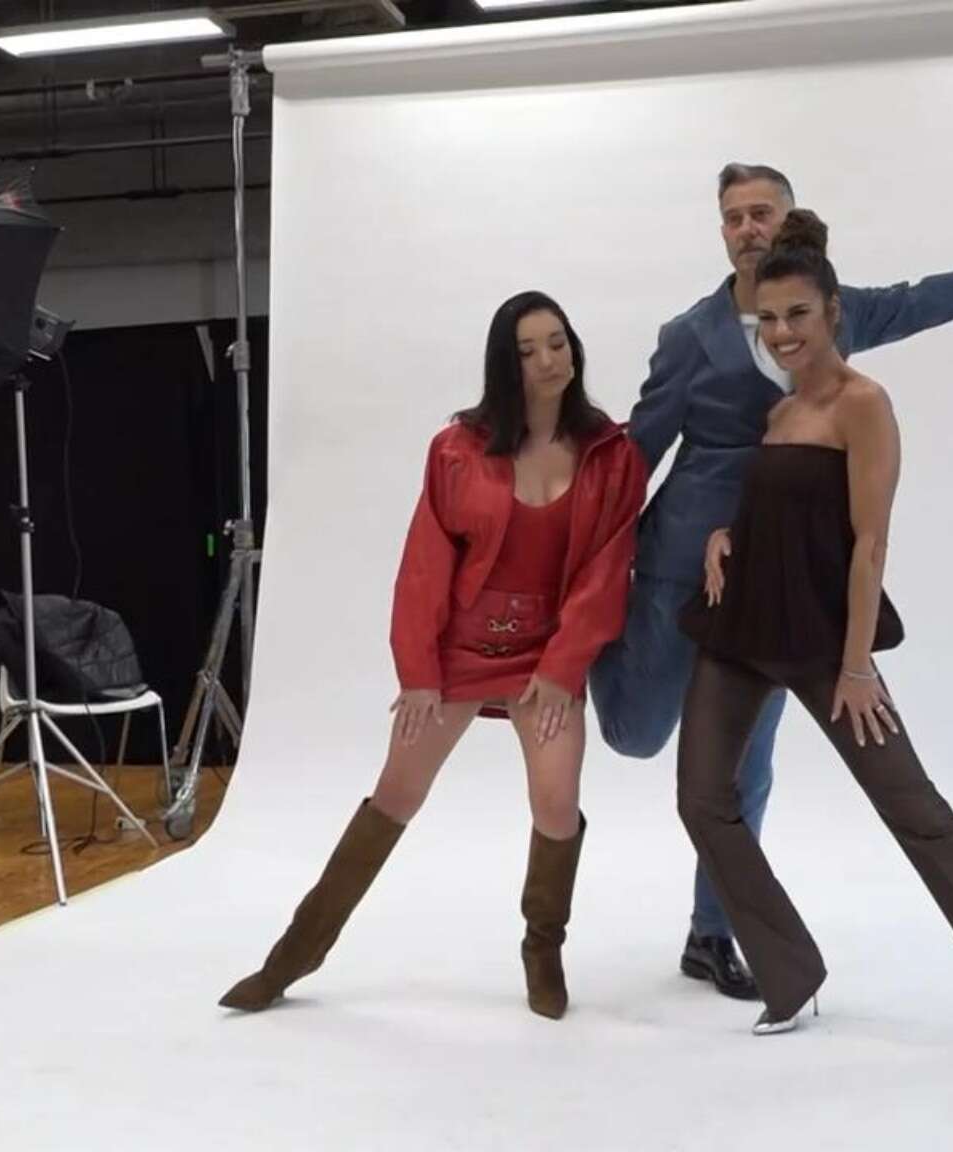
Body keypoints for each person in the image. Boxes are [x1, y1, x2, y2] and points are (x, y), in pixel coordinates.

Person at [588, 163, 953, 1000]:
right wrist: (572, 553)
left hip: (772, 581)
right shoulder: (689, 335)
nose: (749, 227)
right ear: (720, 232)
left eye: (763, 212)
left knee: (744, 773)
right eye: (733, 217)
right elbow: (637, 451)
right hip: (680, 563)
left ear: (792, 224)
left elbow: (921, 298)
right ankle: (595, 657)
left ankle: (714, 933)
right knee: (637, 736)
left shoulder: (834, 316)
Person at [218, 290, 647, 1021]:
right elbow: (424, 565)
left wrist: (560, 669)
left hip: (546, 659)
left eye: (557, 342)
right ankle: (295, 953)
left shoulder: (613, 455)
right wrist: (418, 674)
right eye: (528, 350)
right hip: (458, 654)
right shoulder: (458, 450)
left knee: (555, 801)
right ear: (503, 365)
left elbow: (606, 573)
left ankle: (543, 948)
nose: (549, 360)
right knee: (396, 793)